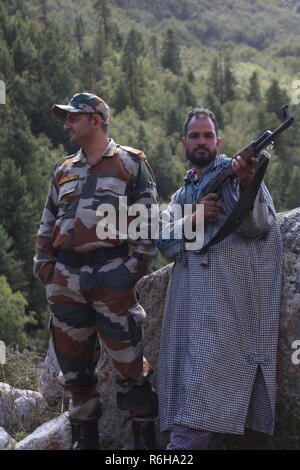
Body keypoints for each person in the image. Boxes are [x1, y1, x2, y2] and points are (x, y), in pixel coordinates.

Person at [34, 93, 158, 450]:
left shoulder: (130, 164)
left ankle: (142, 447)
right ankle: (85, 442)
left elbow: (147, 219)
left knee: (130, 369)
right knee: (75, 375)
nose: (67, 125)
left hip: (111, 275)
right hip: (66, 280)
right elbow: (48, 220)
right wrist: (45, 268)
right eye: (66, 118)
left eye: (73, 118)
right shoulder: (64, 169)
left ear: (95, 120)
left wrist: (134, 268)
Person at [156, 107, 283, 450]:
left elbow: (260, 226)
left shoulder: (235, 174)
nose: (201, 141)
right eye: (194, 136)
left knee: (199, 411)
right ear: (184, 142)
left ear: (218, 140)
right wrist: (194, 216)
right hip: (190, 316)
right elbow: (164, 244)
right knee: (195, 402)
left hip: (226, 311)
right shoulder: (184, 194)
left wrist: (246, 182)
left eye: (207, 135)